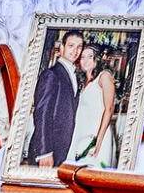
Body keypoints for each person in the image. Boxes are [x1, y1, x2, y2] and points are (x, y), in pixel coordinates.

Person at [28, 29, 85, 166]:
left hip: (63, 149)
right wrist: (44, 152)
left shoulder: (73, 74)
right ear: (62, 48)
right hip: (49, 150)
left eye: (79, 47)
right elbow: (42, 114)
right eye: (71, 46)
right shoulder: (51, 75)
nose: (75, 51)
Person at [69, 42, 120, 169]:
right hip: (81, 132)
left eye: (90, 56)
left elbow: (109, 109)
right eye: (82, 57)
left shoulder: (104, 76)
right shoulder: (82, 81)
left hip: (97, 134)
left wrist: (98, 140)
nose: (85, 60)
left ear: (97, 58)